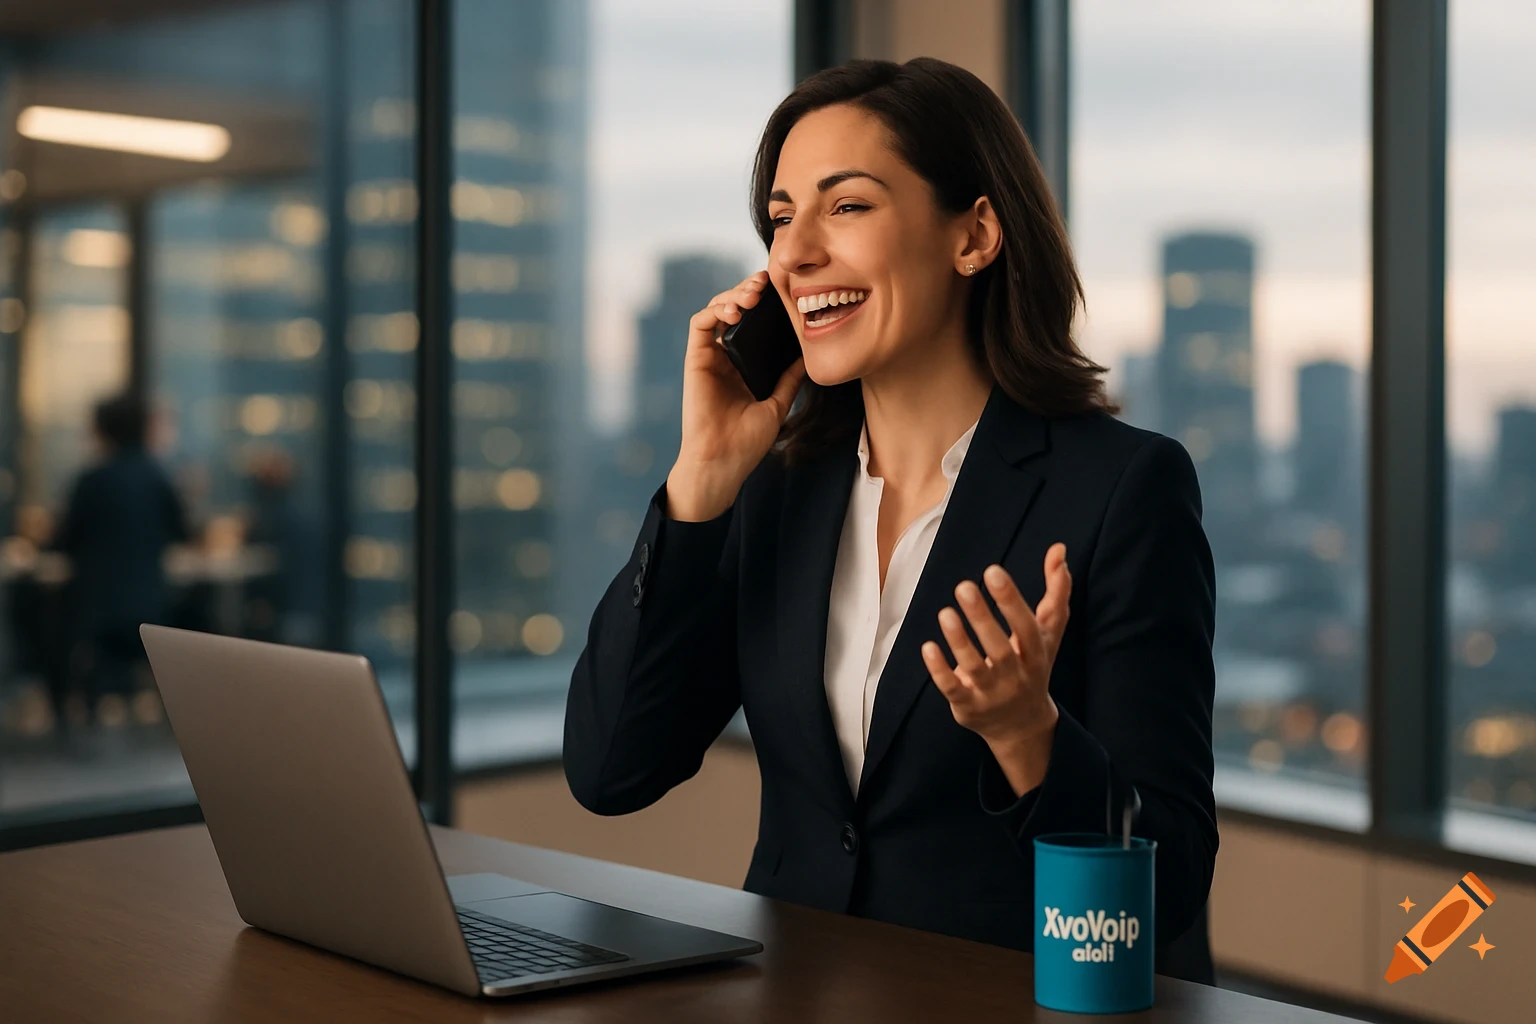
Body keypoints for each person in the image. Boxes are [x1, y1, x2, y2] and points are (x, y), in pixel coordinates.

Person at [564, 58, 1218, 981]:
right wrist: (701, 478)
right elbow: (609, 773)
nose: (793, 254)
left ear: (975, 234)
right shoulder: (775, 490)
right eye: (782, 217)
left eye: (847, 206)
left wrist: (1031, 736)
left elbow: (1174, 878)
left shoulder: (1124, 488)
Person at [54, 393, 188, 722]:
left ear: (101, 430)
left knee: (47, 620)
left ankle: (66, 718)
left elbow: (64, 542)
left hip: (96, 609)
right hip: (151, 607)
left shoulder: (92, 481)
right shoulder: (159, 479)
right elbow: (181, 534)